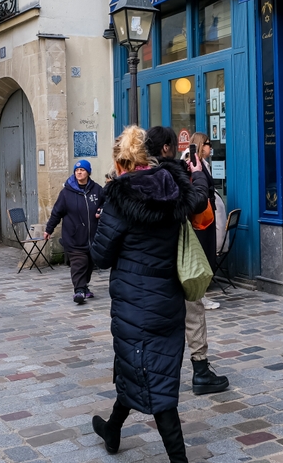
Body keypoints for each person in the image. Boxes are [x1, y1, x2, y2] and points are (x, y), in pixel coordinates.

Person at [90, 126, 207, 462]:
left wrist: (101, 223)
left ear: (121, 161)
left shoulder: (119, 198)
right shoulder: (172, 187)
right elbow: (198, 199)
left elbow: (100, 257)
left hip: (135, 306)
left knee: (154, 383)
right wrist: (198, 174)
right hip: (167, 300)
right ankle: (112, 429)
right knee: (142, 368)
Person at [145, 126, 229, 396]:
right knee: (193, 310)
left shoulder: (135, 177)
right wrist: (197, 174)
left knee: (156, 317)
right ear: (166, 148)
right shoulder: (170, 176)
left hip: (149, 263)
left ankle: (154, 374)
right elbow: (197, 202)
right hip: (177, 255)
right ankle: (201, 371)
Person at [44, 159, 104, 304]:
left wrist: (102, 210)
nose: (79, 172)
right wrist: (49, 229)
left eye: (82, 170)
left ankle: (84, 286)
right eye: (77, 170)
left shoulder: (97, 190)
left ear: (88, 172)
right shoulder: (66, 193)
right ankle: (79, 291)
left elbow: (106, 203)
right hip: (74, 237)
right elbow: (56, 213)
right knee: (79, 263)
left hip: (93, 237)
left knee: (89, 264)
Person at [183, 132, 221, 311]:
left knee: (207, 253)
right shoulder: (191, 163)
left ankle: (201, 295)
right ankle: (200, 296)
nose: (210, 147)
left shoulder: (203, 163)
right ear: (199, 144)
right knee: (202, 255)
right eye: (207, 143)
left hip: (206, 215)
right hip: (198, 217)